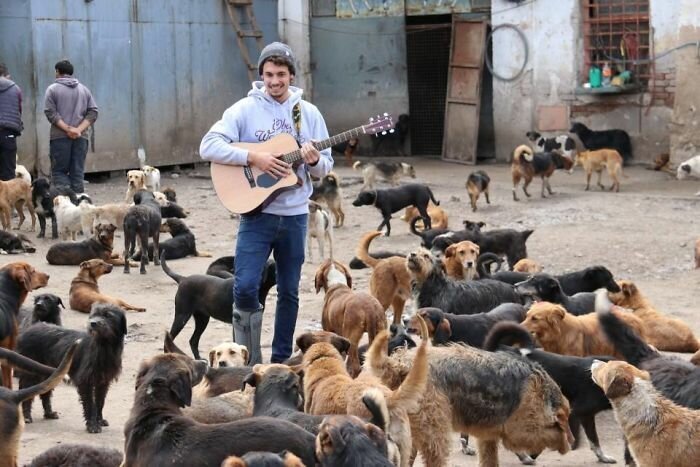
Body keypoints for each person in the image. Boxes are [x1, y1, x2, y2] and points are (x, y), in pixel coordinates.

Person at [200, 42, 333, 364]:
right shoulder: (244, 110)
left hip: (295, 216)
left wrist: (314, 161)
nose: (275, 81)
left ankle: (281, 362)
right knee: (244, 287)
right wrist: (254, 156)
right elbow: (209, 146)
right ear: (261, 75)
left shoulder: (308, 113)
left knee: (289, 291)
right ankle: (245, 362)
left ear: (291, 76)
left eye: (281, 75)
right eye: (269, 75)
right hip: (256, 215)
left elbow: (325, 166)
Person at [44, 59, 98, 193]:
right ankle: (79, 205)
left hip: (59, 138)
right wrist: (78, 130)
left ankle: (65, 206)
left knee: (59, 172)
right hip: (81, 138)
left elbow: (51, 113)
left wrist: (68, 129)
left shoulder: (52, 89)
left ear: (57, 72)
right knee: (77, 173)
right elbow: (93, 112)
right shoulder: (84, 89)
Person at [0, 63, 23, 181]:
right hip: (9, 133)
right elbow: (18, 110)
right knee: (8, 172)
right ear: (5, 75)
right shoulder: (16, 89)